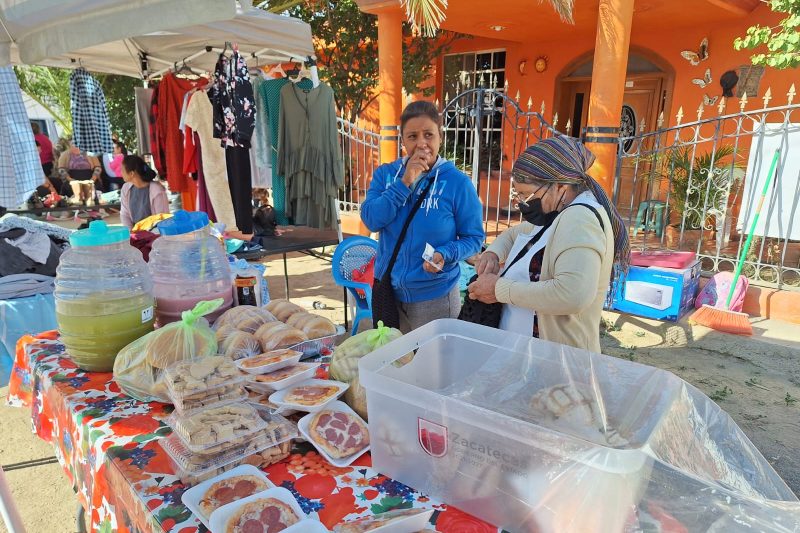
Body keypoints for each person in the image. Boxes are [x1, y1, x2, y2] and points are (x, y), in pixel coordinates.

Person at [467, 136, 630, 353]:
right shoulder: (558, 213)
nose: (522, 203)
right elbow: (515, 233)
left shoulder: (580, 219)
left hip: (557, 361)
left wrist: (499, 289)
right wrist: (494, 253)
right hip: (532, 355)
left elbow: (572, 294)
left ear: (560, 187)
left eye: (526, 194)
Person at [361, 101, 484, 333]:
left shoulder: (457, 183)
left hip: (434, 296)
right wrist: (404, 182)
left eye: (428, 134)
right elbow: (372, 220)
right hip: (388, 290)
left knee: (433, 366)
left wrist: (445, 254)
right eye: (412, 136)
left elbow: (474, 238)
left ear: (440, 136)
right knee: (396, 363)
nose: (421, 143)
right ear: (403, 140)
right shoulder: (386, 175)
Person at [119, 154, 170, 229]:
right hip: (135, 234)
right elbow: (124, 214)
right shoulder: (126, 188)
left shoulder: (157, 190)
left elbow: (162, 219)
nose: (121, 173)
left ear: (131, 174)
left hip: (155, 234)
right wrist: (131, 234)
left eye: (122, 170)